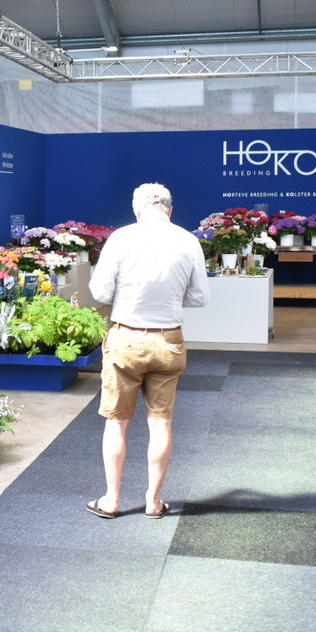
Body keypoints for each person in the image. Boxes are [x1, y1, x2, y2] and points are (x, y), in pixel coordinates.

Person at [86, 183, 209, 520]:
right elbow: (200, 297)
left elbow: (100, 292)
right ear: (170, 209)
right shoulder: (188, 241)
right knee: (161, 423)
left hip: (126, 340)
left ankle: (111, 500)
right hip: (169, 341)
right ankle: (154, 502)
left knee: (117, 423)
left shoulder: (121, 238)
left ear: (136, 209)